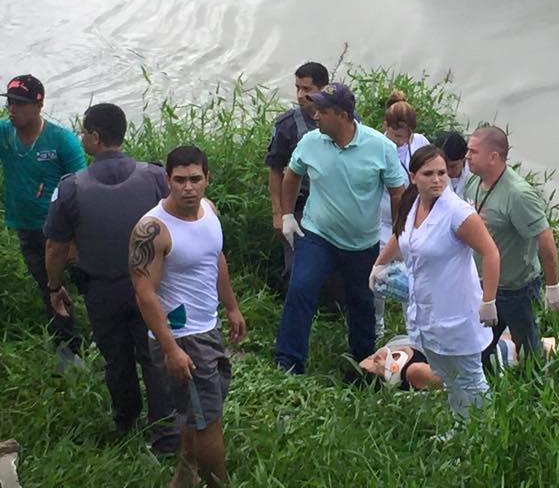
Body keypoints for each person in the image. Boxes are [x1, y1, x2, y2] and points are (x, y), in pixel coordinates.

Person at [44, 104, 178, 453]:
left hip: (101, 290)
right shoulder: (153, 177)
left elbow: (56, 248)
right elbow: (178, 224)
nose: (81, 137)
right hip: (150, 287)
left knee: (116, 358)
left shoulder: (71, 188)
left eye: (84, 131)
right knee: (154, 355)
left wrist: (54, 286)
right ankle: (165, 434)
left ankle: (126, 422)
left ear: (96, 137)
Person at [129, 146, 246, 488]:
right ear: (168, 180)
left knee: (199, 412)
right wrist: (169, 349)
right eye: (179, 180)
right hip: (181, 337)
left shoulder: (208, 211)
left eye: (195, 179)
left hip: (208, 327)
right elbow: (144, 292)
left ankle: (184, 473)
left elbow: (215, 258)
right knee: (209, 420)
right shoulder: (152, 229)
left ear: (207, 179)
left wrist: (232, 306)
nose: (188, 188)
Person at [275, 83, 406, 375]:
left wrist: (399, 234)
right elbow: (292, 174)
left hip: (362, 243)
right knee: (300, 289)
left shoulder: (380, 147)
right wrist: (287, 215)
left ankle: (364, 362)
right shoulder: (310, 142)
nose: (315, 115)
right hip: (316, 235)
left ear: (342, 114)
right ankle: (288, 361)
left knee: (362, 301)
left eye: (322, 110)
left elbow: (398, 190)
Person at [370, 145, 500, 416]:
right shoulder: (412, 203)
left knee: (470, 377)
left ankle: (483, 434)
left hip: (456, 311)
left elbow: (490, 252)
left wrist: (489, 301)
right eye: (428, 173)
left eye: (442, 173)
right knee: (447, 375)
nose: (437, 179)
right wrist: (379, 264)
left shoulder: (458, 213)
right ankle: (461, 424)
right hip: (425, 311)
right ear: (414, 175)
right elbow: (399, 235)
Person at [0, 74, 86, 364]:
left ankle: (108, 337)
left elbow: (81, 186)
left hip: (63, 231)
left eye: (20, 104)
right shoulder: (4, 134)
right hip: (26, 226)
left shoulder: (62, 140)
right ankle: (68, 347)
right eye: (10, 103)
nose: (13, 109)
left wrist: (74, 237)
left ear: (39, 105)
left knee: (88, 282)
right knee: (48, 286)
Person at [464, 126, 559, 367]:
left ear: (493, 157)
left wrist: (553, 285)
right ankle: (486, 389)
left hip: (516, 288)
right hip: (485, 284)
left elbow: (545, 240)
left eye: (473, 151)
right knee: (479, 344)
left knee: (528, 346)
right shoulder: (473, 182)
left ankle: (536, 391)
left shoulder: (518, 194)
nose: (467, 156)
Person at [265, 62, 329, 287]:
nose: (300, 95)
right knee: (296, 269)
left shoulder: (345, 119)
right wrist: (278, 213)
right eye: (297, 88)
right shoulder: (287, 125)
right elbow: (275, 170)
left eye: (307, 89)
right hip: (300, 205)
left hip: (334, 202)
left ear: (323, 90)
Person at [375, 90, 430, 337]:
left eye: (406, 137)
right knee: (380, 273)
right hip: (382, 220)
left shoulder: (420, 142)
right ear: (386, 126)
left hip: (412, 218)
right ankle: (378, 325)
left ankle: (413, 329)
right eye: (397, 135)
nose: (401, 141)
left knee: (412, 273)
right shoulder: (375, 145)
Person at [433, 130, 471, 198]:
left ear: (464, 158)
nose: (448, 171)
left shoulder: (475, 177)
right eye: (444, 166)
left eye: (453, 166)